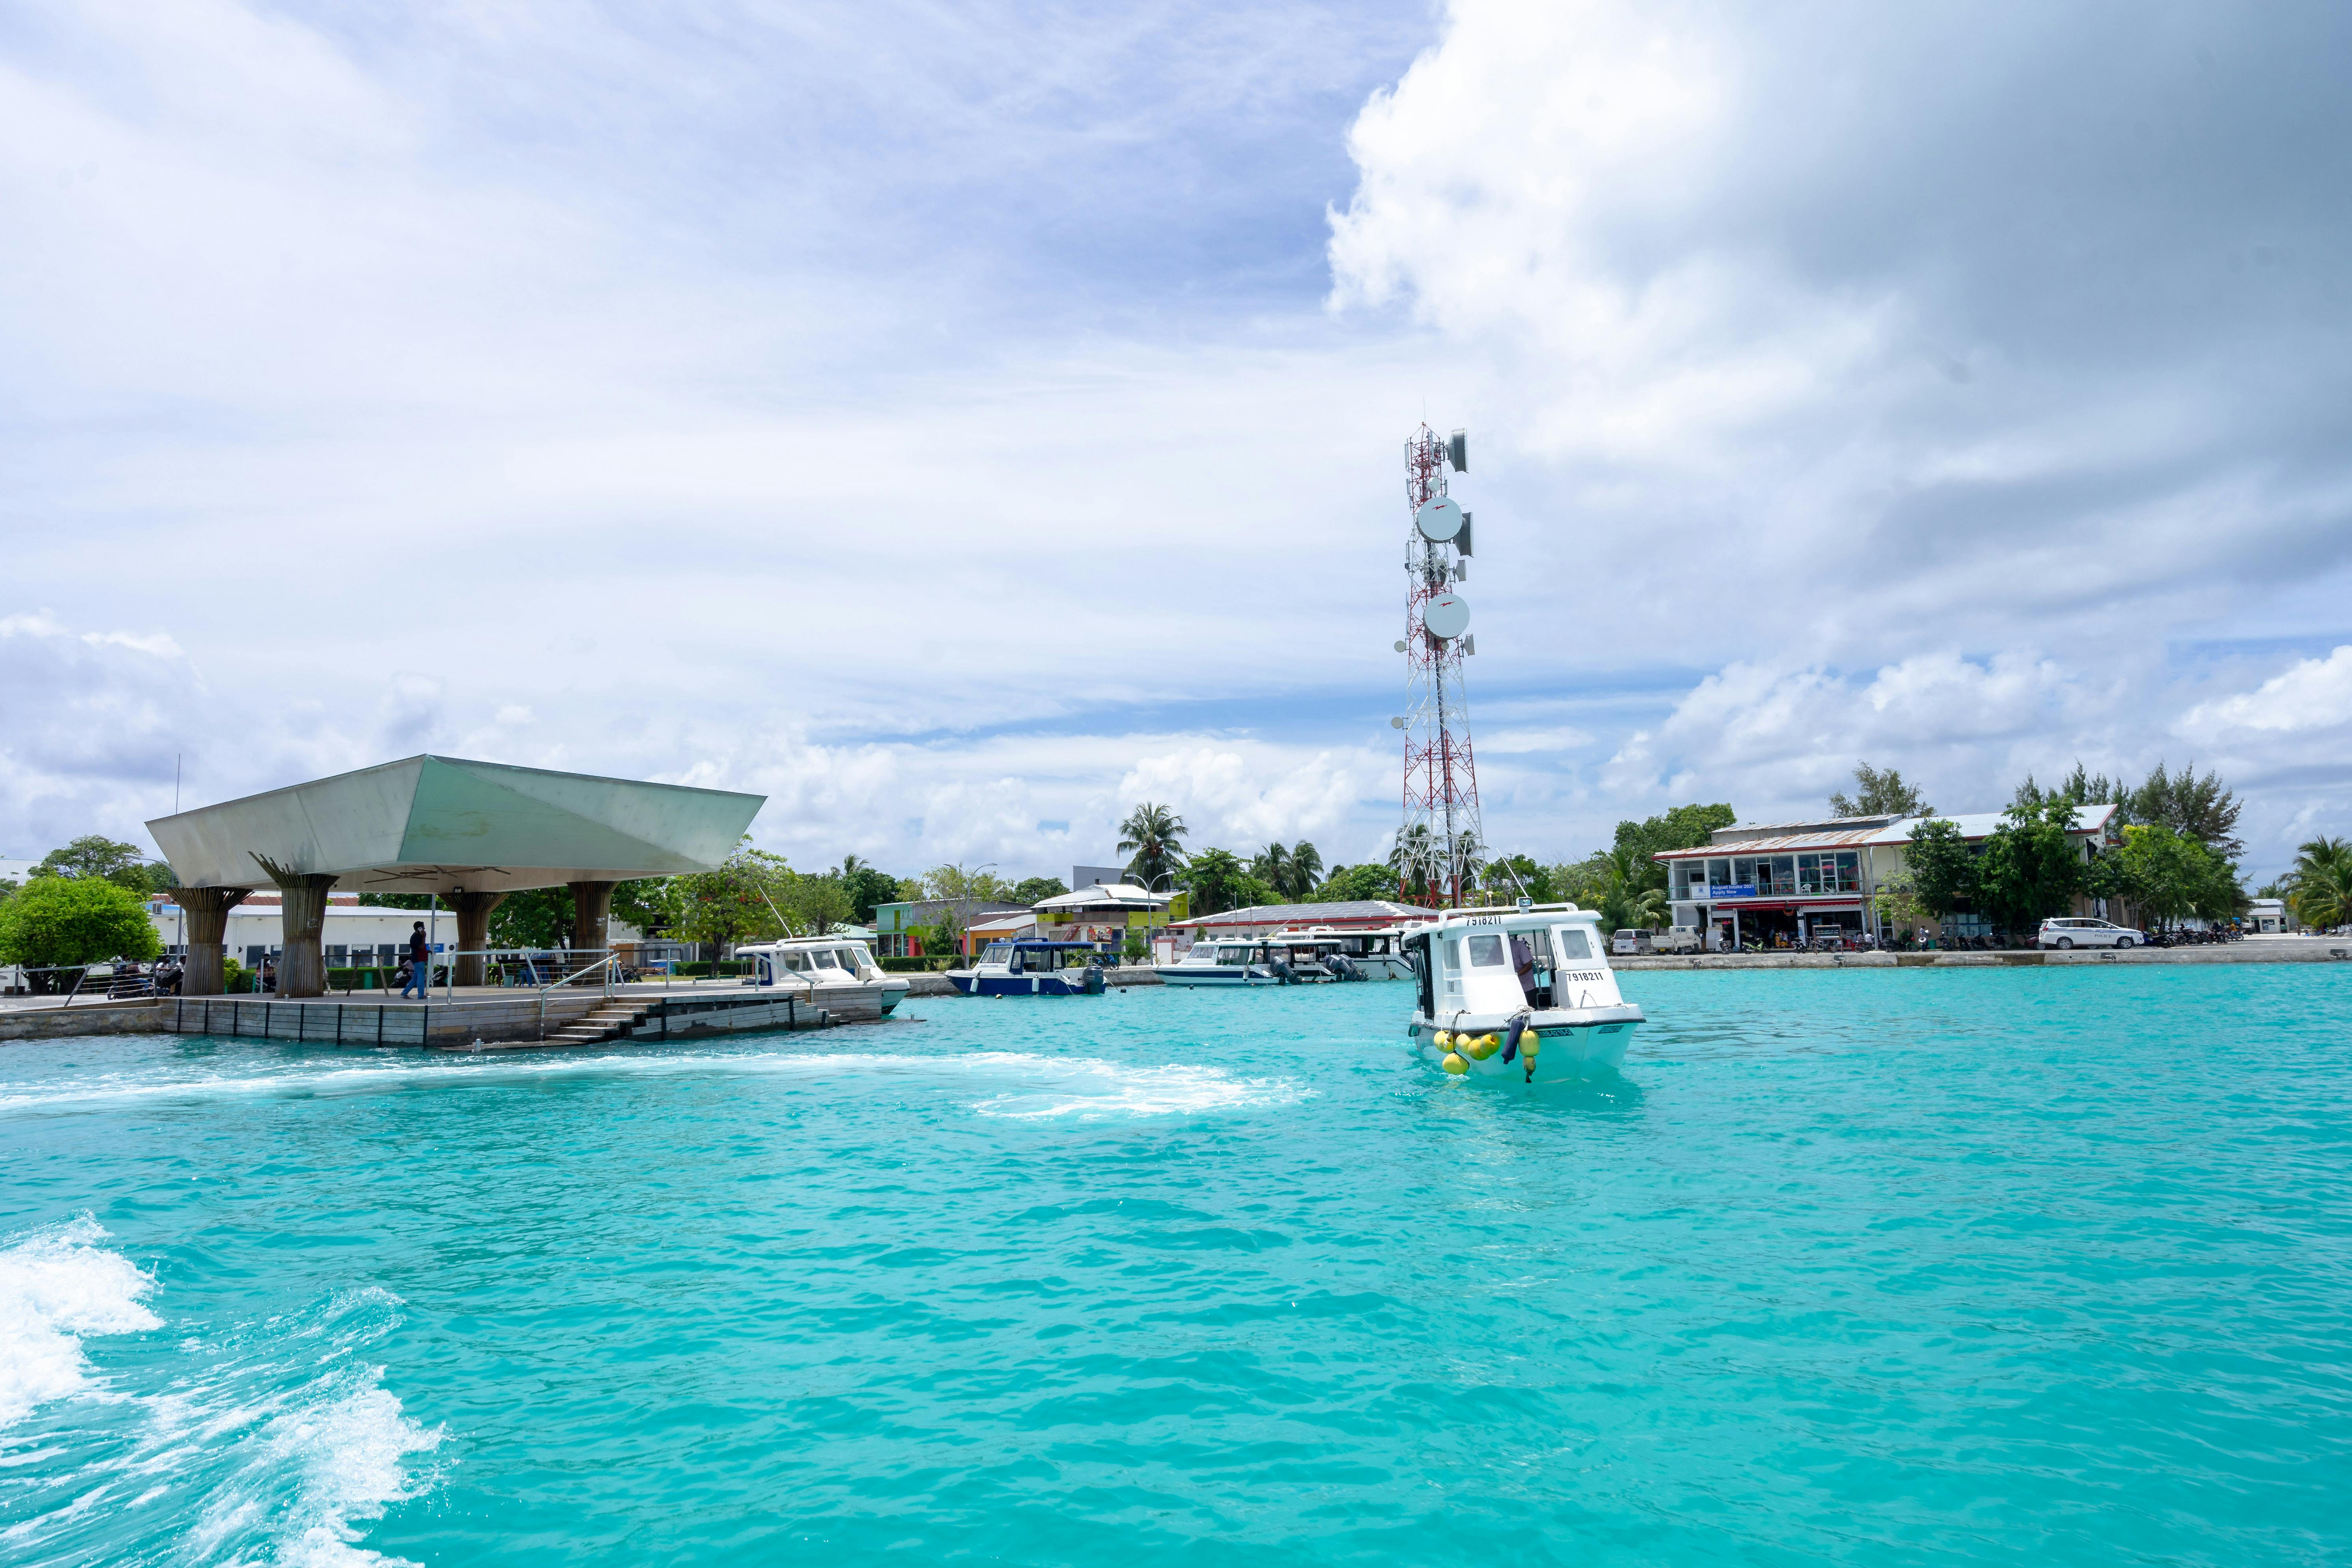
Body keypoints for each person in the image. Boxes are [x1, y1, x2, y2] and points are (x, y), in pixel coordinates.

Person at [400, 921, 431, 999]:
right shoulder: (415, 937)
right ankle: (421, 995)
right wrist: (424, 937)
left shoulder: (419, 936)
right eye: (423, 927)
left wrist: (427, 952)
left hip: (421, 958)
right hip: (418, 959)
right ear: (419, 928)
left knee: (416, 977)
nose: (424, 928)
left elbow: (421, 948)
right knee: (421, 977)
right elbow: (420, 947)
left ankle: (404, 993)